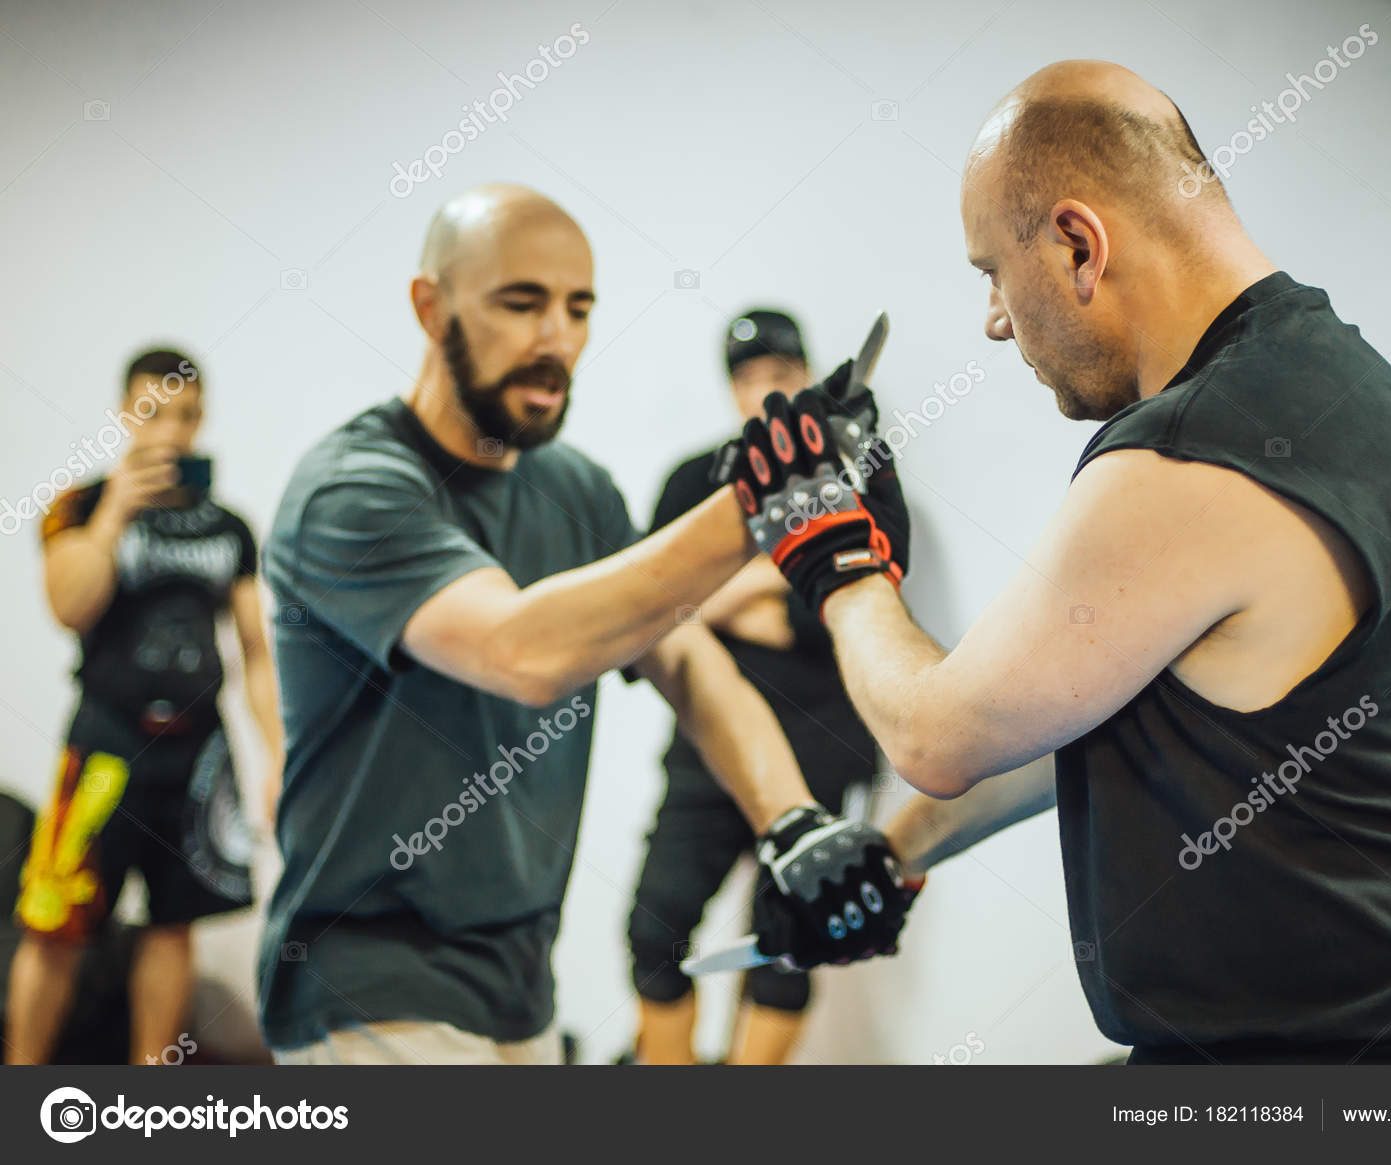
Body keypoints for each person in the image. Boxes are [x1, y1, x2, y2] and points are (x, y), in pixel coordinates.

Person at [728, 60, 1391, 1064]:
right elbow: (1097, 707)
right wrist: (895, 855)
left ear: (1075, 243)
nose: (993, 317)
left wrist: (830, 553)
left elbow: (935, 734)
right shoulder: (1336, 379)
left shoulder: (1195, 450)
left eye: (990, 272)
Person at [257, 185, 913, 1066]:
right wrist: (769, 494)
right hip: (370, 982)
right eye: (520, 303)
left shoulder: (577, 489)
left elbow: (686, 657)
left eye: (577, 308)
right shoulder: (354, 491)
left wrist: (790, 820)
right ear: (431, 305)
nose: (554, 339)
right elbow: (524, 650)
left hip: (521, 981)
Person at [7, 349, 280, 1065]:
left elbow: (256, 649)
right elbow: (69, 603)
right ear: (126, 414)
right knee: (56, 921)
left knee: (174, 923)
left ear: (203, 420)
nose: (171, 432)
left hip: (197, 751)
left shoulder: (229, 527)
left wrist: (278, 753)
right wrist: (119, 508)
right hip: (106, 743)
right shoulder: (83, 505)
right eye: (154, 413)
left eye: (186, 415)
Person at [626, 310, 880, 1065]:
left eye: (782, 374)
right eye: (750, 377)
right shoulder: (691, 479)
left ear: (804, 376)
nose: (767, 390)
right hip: (706, 742)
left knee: (789, 946)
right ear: (731, 387)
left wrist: (715, 594)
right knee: (653, 927)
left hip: (818, 747)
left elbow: (836, 613)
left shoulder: (854, 473)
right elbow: (644, 609)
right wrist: (773, 580)